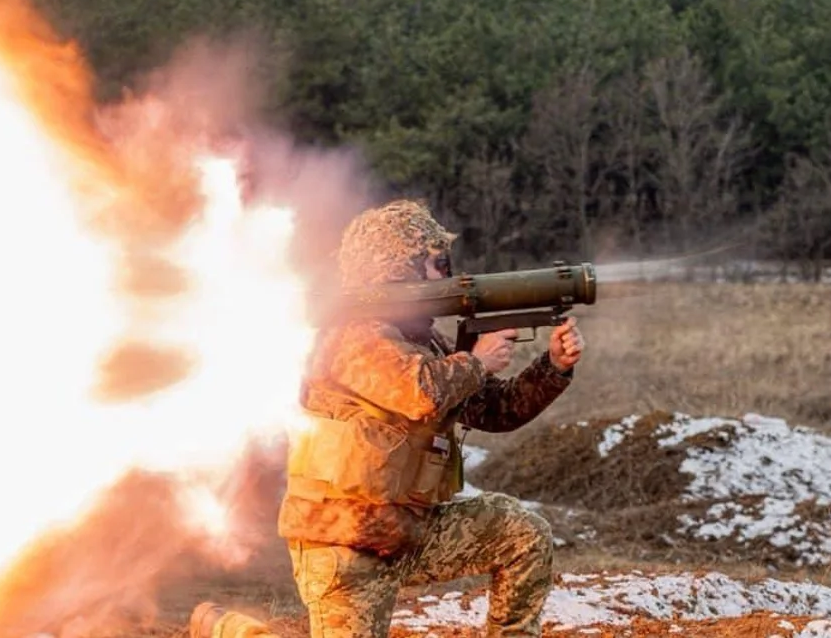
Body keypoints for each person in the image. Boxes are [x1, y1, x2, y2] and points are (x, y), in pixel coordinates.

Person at [192, 200, 585, 638]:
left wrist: (553, 367)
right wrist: (477, 362)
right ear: (400, 270)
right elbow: (420, 393)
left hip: (410, 530)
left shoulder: (421, 339)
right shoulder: (350, 335)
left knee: (522, 534)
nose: (448, 275)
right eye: (437, 264)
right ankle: (235, 631)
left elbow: (493, 409)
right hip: (345, 545)